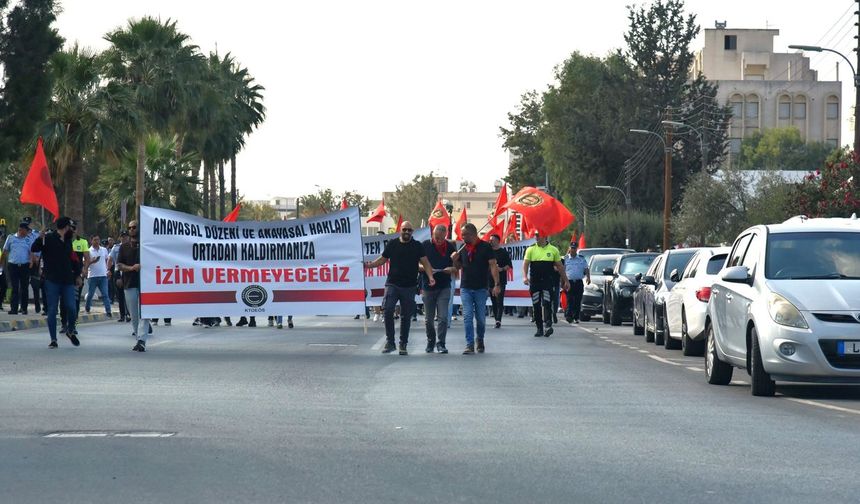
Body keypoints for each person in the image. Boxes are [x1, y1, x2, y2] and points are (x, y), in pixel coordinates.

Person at [364, 220, 435, 355]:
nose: (407, 232)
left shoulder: (417, 246)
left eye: (409, 230)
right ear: (400, 231)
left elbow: (426, 263)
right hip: (392, 284)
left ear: (412, 232)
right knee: (388, 309)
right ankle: (390, 342)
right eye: (404, 230)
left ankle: (403, 344)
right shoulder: (393, 244)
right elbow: (382, 259)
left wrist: (431, 277)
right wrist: (369, 265)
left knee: (405, 316)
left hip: (409, 286)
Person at [30, 217, 81, 348]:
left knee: (72, 307)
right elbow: (34, 248)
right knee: (52, 310)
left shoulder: (68, 241)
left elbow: (73, 259)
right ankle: (53, 339)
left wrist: (78, 275)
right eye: (71, 227)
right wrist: (40, 237)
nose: (73, 230)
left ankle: (70, 330)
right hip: (52, 280)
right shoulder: (48, 238)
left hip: (67, 280)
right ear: (65, 227)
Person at [451, 223, 499, 354]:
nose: (462, 236)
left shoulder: (485, 247)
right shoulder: (463, 248)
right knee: (467, 316)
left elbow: (493, 265)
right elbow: (458, 267)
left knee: (480, 318)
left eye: (464, 234)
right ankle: (469, 344)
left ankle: (480, 339)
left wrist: (496, 284)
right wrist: (455, 260)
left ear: (472, 234)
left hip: (481, 288)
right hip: (466, 287)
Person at [523, 233, 569, 338]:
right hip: (535, 283)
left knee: (547, 303)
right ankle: (539, 328)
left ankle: (548, 325)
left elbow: (560, 267)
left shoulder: (553, 250)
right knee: (536, 305)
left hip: (548, 282)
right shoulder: (530, 249)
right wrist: (525, 277)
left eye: (538, 235)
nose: (536, 237)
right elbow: (525, 264)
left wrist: (566, 281)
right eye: (535, 235)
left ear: (544, 236)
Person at [420, 224, 456, 354]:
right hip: (428, 287)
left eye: (441, 238)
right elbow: (417, 264)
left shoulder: (450, 247)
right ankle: (431, 340)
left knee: (443, 317)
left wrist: (451, 267)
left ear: (445, 236)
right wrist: (426, 268)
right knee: (429, 319)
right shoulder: (425, 245)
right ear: (432, 235)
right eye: (436, 237)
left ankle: (441, 343)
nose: (439, 240)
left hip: (444, 286)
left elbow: (456, 268)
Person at [117, 219, 150, 352]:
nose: (131, 230)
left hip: (146, 285)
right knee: (134, 315)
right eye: (130, 228)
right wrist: (131, 268)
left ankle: (142, 340)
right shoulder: (123, 247)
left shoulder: (147, 246)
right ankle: (138, 338)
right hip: (129, 284)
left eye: (134, 227)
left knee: (145, 313)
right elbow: (119, 265)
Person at [1, 222, 36, 315]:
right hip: (13, 266)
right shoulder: (11, 237)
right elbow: (5, 251)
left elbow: (31, 252)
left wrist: (31, 261)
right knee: (15, 287)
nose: (28, 232)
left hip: (25, 266)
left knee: (24, 288)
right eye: (26, 230)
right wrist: (1, 264)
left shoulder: (28, 240)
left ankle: (24, 308)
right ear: (21, 229)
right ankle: (14, 309)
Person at [488, 234, 512, 329]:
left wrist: (501, 269)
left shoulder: (503, 252)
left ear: (498, 241)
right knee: (493, 301)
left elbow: (509, 265)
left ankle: (498, 320)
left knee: (499, 300)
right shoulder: (488, 252)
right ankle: (496, 319)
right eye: (490, 240)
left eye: (492, 240)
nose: (490, 241)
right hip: (490, 280)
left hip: (501, 280)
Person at [85, 234, 113, 316]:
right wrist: (92, 261)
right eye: (95, 240)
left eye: (98, 239)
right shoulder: (88, 251)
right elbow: (85, 263)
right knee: (90, 294)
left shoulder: (104, 250)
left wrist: (108, 270)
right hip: (92, 276)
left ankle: (108, 311)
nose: (97, 241)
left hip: (103, 276)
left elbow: (108, 260)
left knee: (105, 294)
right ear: (91, 241)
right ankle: (87, 307)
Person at [563, 242, 590, 324]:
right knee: (570, 300)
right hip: (569, 282)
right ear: (569, 249)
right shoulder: (565, 259)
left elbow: (586, 269)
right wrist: (563, 282)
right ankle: (568, 316)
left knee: (577, 301)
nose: (573, 250)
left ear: (576, 249)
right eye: (572, 248)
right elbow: (562, 271)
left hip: (578, 282)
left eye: (574, 248)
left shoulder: (581, 259)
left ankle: (576, 317)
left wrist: (588, 277)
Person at [110, 232, 129, 322]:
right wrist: (108, 270)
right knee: (120, 296)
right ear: (120, 238)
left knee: (129, 295)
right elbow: (110, 259)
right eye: (122, 237)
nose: (124, 238)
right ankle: (122, 315)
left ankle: (129, 314)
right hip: (118, 272)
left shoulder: (133, 246)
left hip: (129, 272)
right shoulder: (116, 247)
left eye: (126, 237)